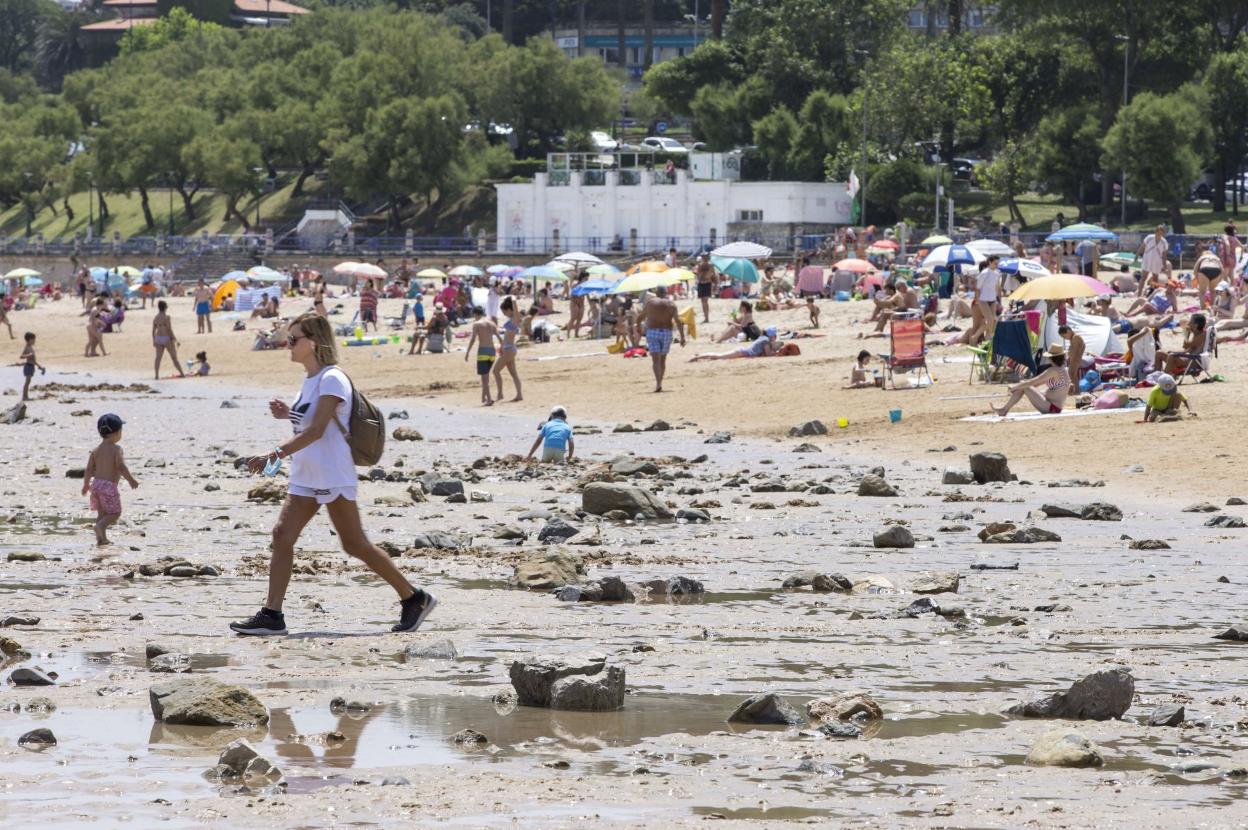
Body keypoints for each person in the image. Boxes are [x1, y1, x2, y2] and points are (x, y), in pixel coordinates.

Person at [232, 312, 437, 636]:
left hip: (331, 472)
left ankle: (415, 597)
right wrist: (289, 413)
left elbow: (316, 431)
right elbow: (310, 423)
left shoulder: (332, 378)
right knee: (281, 536)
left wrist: (273, 453)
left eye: (295, 338)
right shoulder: (311, 379)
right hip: (307, 473)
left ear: (314, 342)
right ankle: (272, 614)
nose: (288, 343)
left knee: (355, 545)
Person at [82, 413, 138, 545]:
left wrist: (85, 484)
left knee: (102, 513)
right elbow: (120, 467)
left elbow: (89, 469)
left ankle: (101, 539)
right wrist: (130, 479)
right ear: (117, 432)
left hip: (95, 485)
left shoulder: (95, 450)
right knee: (115, 513)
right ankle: (100, 528)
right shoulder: (116, 449)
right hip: (108, 486)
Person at [990, 344, 1071, 415]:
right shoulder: (1062, 369)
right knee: (1024, 385)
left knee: (1024, 385)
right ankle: (1004, 409)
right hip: (1051, 405)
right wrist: (1018, 387)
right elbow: (1036, 384)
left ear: (1051, 358)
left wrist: (1015, 387)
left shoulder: (1053, 370)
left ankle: (1004, 410)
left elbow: (1033, 381)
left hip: (1052, 408)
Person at [642, 284, 686, 391]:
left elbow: (641, 316)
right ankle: (660, 381)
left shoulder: (650, 303)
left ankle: (658, 383)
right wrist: (682, 337)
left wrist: (639, 326)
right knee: (662, 359)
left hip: (653, 332)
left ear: (656, 293)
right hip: (666, 332)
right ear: (666, 293)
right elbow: (678, 321)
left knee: (655, 359)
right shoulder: (671, 304)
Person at [464, 306, 500, 405]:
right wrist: (502, 349)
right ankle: (483, 397)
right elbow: (498, 337)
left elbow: (473, 339)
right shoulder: (491, 323)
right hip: (492, 352)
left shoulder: (476, 324)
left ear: (475, 314)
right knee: (486, 375)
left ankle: (489, 400)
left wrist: (467, 352)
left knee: (484, 378)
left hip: (483, 351)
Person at [492, 296, 523, 403]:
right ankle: (519, 395)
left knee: (495, 371)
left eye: (505, 312)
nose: (504, 314)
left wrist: (513, 299)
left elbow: (516, 310)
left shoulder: (515, 319)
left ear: (510, 309)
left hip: (509, 349)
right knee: (513, 374)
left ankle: (500, 394)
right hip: (508, 349)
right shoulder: (511, 320)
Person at [690, 327, 778, 361]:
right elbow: (768, 354)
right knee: (719, 356)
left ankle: (700, 356)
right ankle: (698, 357)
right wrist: (779, 352)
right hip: (742, 352)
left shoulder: (763, 338)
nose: (775, 338)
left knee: (718, 357)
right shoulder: (766, 340)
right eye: (775, 336)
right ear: (772, 335)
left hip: (742, 352)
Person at [968, 255, 1000, 343]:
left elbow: (996, 287)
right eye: (995, 263)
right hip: (983, 299)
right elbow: (978, 287)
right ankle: (974, 337)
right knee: (990, 320)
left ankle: (987, 340)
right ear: (989, 262)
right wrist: (978, 300)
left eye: (998, 263)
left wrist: (997, 300)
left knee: (993, 321)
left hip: (993, 299)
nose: (997, 265)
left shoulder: (997, 273)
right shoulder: (985, 273)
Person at [152, 300, 186, 380]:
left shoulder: (156, 317)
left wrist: (154, 340)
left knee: (158, 358)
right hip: (166, 338)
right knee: (174, 358)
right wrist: (175, 339)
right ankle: (182, 373)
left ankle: (156, 375)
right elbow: (169, 329)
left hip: (158, 338)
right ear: (165, 307)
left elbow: (153, 330)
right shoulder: (167, 317)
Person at [1138, 225, 1169, 296]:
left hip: (1157, 261)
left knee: (1155, 278)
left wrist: (1164, 265)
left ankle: (1152, 294)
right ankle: (1139, 294)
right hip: (1147, 260)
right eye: (1160, 232)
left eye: (1162, 232)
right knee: (1143, 277)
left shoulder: (1164, 242)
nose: (1161, 234)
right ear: (1157, 231)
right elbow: (1142, 246)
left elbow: (1164, 255)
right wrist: (1137, 255)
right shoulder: (1149, 238)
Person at [1193, 242, 1223, 309]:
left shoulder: (1202, 257)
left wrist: (1197, 278)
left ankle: (1203, 307)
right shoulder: (1215, 257)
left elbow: (1195, 269)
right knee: (1213, 291)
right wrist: (1220, 279)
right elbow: (1222, 270)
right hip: (1216, 270)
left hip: (1204, 269)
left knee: (1202, 291)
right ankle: (1212, 306)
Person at [16, 331, 44, 401]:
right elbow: (21, 356)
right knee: (27, 382)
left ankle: (26, 396)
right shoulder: (27, 347)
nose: (34, 341)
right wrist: (28, 355)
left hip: (32, 366)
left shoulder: (31, 347)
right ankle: (24, 397)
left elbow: (33, 360)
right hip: (28, 366)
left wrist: (39, 366)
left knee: (28, 381)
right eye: (33, 339)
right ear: (29, 339)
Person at [695, 255, 715, 323]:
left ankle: (706, 318)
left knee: (705, 302)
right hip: (702, 283)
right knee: (703, 302)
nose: (705, 259)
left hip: (706, 283)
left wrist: (707, 275)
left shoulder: (710, 265)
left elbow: (713, 274)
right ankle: (706, 317)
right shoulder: (701, 265)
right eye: (704, 257)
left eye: (706, 258)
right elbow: (698, 274)